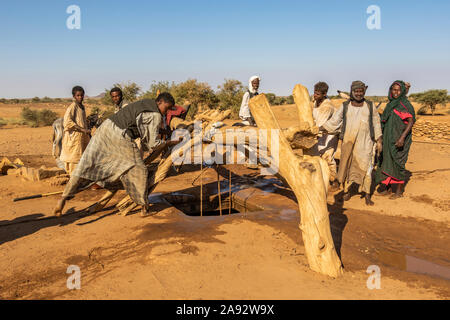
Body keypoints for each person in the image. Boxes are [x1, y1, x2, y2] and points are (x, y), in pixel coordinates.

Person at [53, 93, 182, 217]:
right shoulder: (155, 114)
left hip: (105, 129)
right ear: (160, 102)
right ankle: (144, 208)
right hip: (120, 135)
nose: (167, 111)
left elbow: (144, 126)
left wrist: (164, 131)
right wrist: (169, 142)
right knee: (139, 168)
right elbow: (153, 143)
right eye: (167, 107)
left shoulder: (146, 103)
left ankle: (63, 198)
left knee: (86, 165)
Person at [321, 81, 383, 206]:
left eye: (361, 91)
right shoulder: (345, 106)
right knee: (348, 167)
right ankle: (347, 191)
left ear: (364, 92)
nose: (359, 94)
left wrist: (379, 140)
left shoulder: (370, 106)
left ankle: (367, 194)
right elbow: (334, 122)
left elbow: (376, 124)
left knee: (367, 168)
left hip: (366, 143)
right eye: (356, 91)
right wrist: (319, 128)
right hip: (348, 143)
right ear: (352, 92)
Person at [376, 81, 415, 199]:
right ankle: (387, 189)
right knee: (386, 162)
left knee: (398, 164)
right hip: (388, 139)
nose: (396, 92)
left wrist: (402, 138)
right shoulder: (390, 105)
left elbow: (410, 122)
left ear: (402, 91)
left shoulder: (405, 104)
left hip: (399, 140)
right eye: (393, 89)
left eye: (398, 90)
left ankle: (398, 192)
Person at [307, 82, 339, 190]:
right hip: (321, 131)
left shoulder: (327, 107)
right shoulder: (316, 101)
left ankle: (333, 180)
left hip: (331, 133)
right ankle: (322, 178)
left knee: (328, 156)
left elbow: (320, 125)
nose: (315, 95)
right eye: (314, 93)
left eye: (317, 94)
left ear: (324, 94)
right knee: (318, 154)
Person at [59, 86, 91, 175]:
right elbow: (67, 122)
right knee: (74, 159)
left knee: (82, 157)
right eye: (78, 95)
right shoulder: (72, 107)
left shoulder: (82, 107)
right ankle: (73, 180)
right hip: (74, 138)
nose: (80, 97)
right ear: (74, 96)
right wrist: (82, 129)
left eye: (81, 95)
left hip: (81, 138)